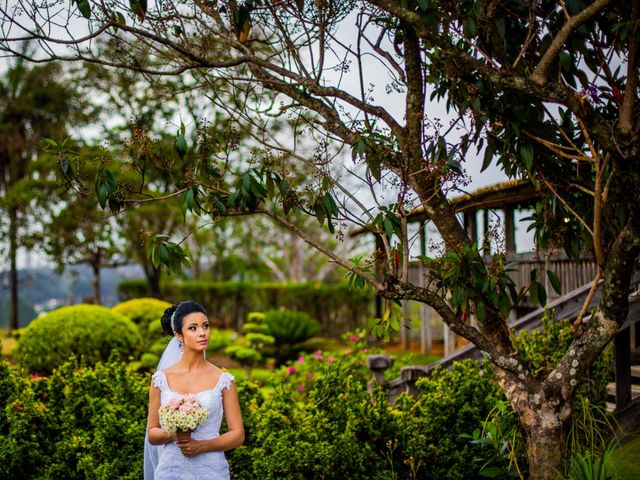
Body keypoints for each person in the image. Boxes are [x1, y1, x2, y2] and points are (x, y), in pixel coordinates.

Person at [144, 301, 244, 480]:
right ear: (178, 334)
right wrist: (174, 432)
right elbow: (152, 433)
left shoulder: (223, 380)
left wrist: (202, 446)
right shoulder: (160, 379)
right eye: (193, 328)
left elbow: (237, 435)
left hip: (211, 470)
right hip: (170, 470)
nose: (202, 332)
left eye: (205, 326)